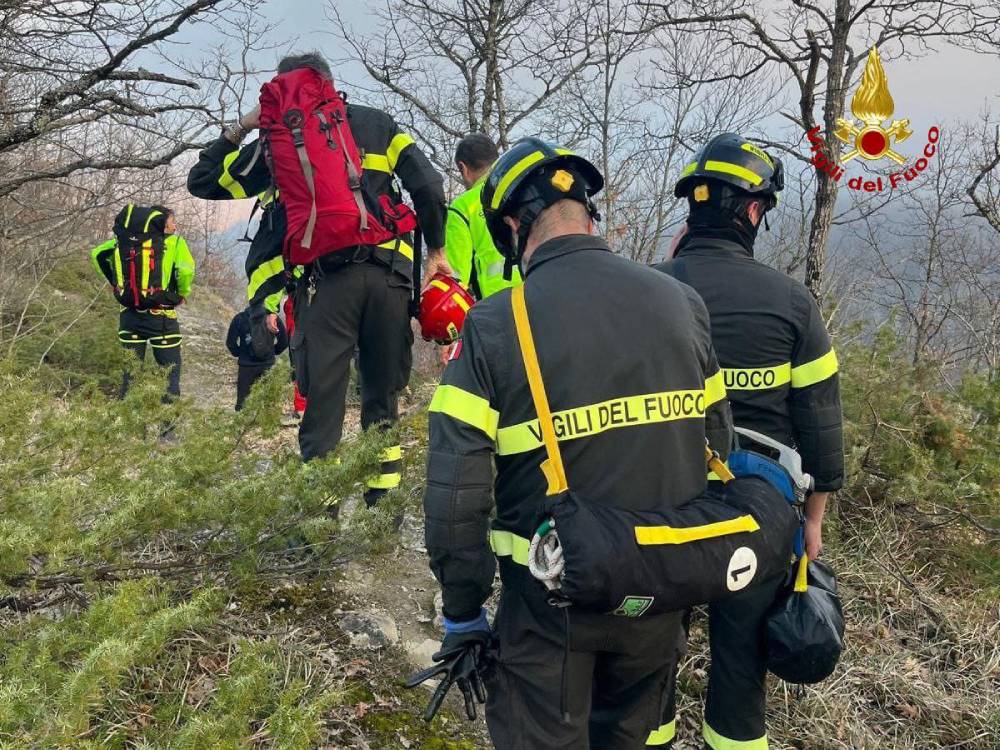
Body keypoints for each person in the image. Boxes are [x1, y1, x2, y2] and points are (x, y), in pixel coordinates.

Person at [422, 137, 732, 748]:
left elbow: (456, 493)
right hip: (659, 591)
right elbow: (717, 446)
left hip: (548, 608)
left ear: (512, 228)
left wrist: (462, 612)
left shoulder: (495, 324)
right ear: (588, 211)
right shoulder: (682, 302)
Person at [187, 51, 449, 507]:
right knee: (382, 401)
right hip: (389, 280)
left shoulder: (280, 139)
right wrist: (437, 253)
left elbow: (202, 180)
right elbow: (427, 185)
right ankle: (381, 514)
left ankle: (318, 521)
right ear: (327, 81)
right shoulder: (379, 123)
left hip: (324, 284)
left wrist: (244, 126)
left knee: (323, 404)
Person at [653, 133, 844, 750]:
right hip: (758, 510)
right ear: (755, 210)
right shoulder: (791, 302)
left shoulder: (648, 290)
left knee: (650, 654)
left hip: (664, 500)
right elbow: (821, 424)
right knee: (740, 665)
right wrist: (812, 523)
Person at [90, 205, 195, 399]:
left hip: (129, 317)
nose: (175, 226)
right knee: (169, 377)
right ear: (162, 223)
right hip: (161, 319)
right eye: (172, 221)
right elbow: (185, 271)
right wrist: (181, 294)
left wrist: (116, 283)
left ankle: (127, 417)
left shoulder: (123, 241)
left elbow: (97, 255)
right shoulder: (176, 243)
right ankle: (168, 419)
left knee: (130, 378)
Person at [445, 134, 522, 299]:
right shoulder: (521, 190)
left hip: (498, 304)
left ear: (463, 168)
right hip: (540, 294)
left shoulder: (462, 207)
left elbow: (456, 277)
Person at [226, 306, 288, 411]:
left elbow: (230, 343)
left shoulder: (239, 318)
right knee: (268, 403)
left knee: (242, 404)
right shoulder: (273, 319)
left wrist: (240, 353)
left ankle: (243, 420)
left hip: (246, 366)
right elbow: (284, 341)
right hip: (267, 365)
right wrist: (273, 351)